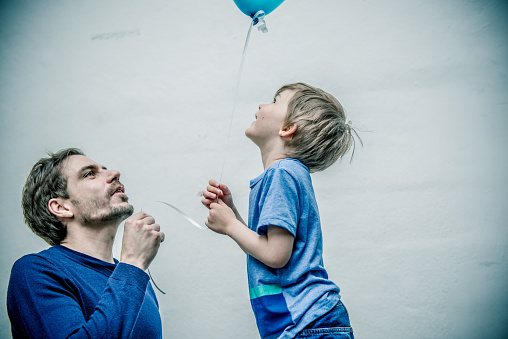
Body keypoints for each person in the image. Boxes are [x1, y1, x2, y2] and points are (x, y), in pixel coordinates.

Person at [201, 83, 357, 339]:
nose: (262, 105)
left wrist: (229, 224)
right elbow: (266, 249)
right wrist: (232, 214)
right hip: (306, 323)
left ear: (287, 129)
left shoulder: (281, 174)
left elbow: (275, 254)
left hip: (308, 323)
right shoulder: (284, 175)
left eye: (274, 101)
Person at [7, 148, 165, 338]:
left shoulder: (136, 280)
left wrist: (133, 268)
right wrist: (133, 264)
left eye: (104, 169)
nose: (115, 173)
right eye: (89, 174)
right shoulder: (35, 271)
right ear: (61, 207)